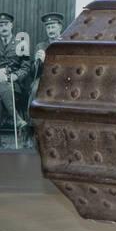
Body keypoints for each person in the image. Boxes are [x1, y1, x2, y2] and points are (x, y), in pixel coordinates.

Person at [0, 12, 32, 150]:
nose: (3, 27)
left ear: (11, 25)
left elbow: (26, 67)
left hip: (13, 84)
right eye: (0, 25)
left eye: (6, 24)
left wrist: (15, 76)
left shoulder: (21, 44)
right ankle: (19, 121)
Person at [27, 12, 66, 143]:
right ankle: (31, 127)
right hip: (44, 79)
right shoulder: (40, 46)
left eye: (53, 27)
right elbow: (34, 73)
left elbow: (66, 69)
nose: (50, 30)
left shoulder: (66, 44)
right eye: (48, 27)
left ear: (60, 27)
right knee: (34, 89)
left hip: (61, 80)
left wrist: (47, 60)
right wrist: (37, 62)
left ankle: (60, 130)